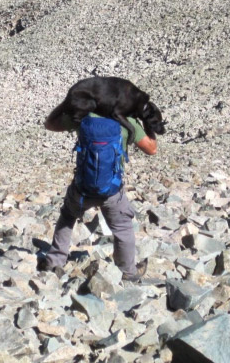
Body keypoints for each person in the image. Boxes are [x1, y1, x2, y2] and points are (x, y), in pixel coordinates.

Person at [38, 103, 158, 281]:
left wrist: (66, 104)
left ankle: (54, 262)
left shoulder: (82, 116)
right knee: (123, 227)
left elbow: (49, 124)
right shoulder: (128, 121)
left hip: (82, 188)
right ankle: (128, 272)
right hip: (112, 191)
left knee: (68, 217)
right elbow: (152, 149)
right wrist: (148, 123)